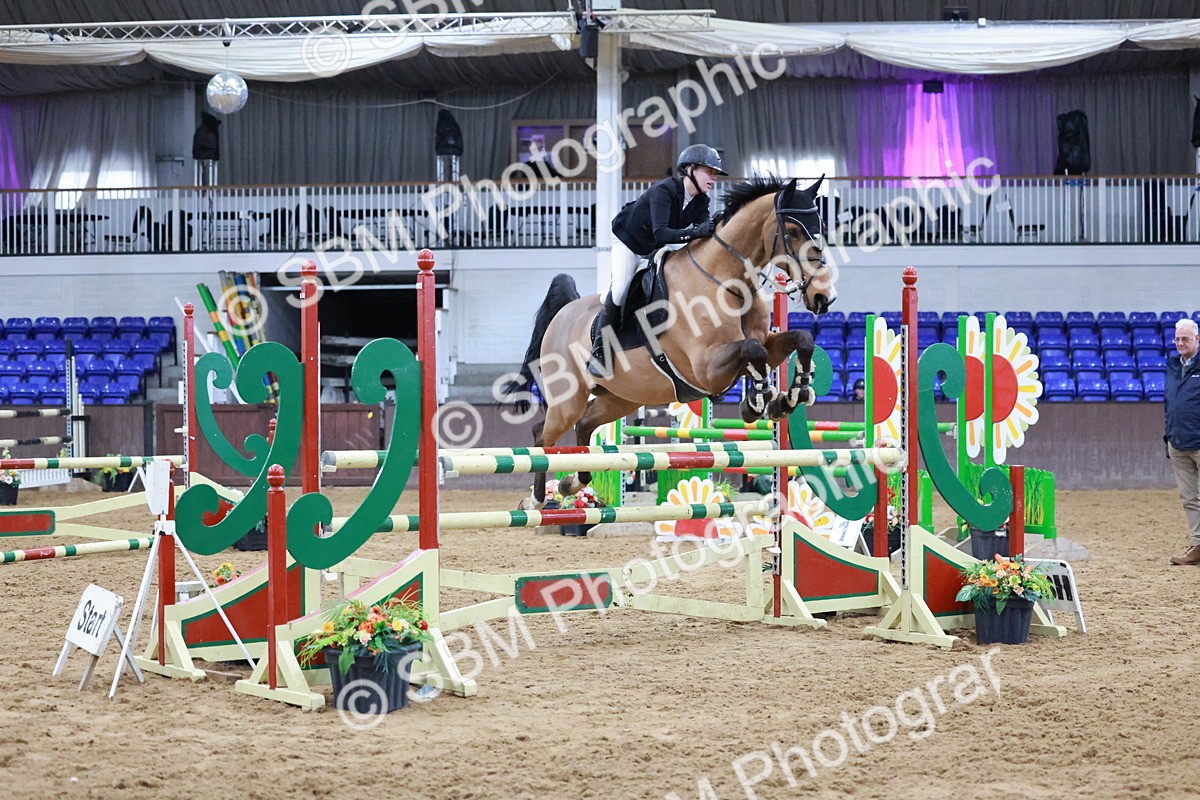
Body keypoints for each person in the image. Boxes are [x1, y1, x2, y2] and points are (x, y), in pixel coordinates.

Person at [588, 144, 727, 374]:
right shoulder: (664, 190)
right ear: (689, 170)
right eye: (709, 171)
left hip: (658, 244)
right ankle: (599, 350)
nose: (713, 178)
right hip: (630, 242)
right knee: (621, 290)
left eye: (715, 174)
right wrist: (696, 232)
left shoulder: (701, 201)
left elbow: (702, 234)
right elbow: (661, 232)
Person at [1165, 318, 1200, 565]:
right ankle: (1198, 545)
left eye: (1185, 339)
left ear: (1197, 339)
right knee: (1189, 499)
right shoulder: (1172, 365)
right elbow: (1170, 402)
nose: (1180, 343)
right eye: (1177, 339)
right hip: (1177, 443)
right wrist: (1168, 433)